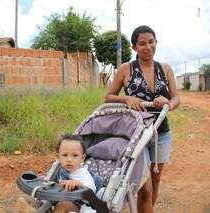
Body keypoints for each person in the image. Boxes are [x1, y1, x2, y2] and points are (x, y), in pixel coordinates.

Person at [105, 25, 180, 213]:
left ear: (156, 42)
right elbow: (109, 97)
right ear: (134, 48)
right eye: (142, 43)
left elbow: (176, 97)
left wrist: (167, 104)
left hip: (160, 134)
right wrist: (127, 98)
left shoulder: (165, 69)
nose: (148, 47)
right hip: (137, 134)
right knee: (144, 187)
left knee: (154, 183)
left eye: (151, 42)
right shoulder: (125, 69)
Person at [52, 134, 100, 213]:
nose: (69, 159)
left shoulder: (82, 173)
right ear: (58, 157)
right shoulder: (59, 169)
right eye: (65, 155)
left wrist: (79, 184)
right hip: (62, 197)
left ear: (82, 158)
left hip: (80, 204)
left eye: (75, 155)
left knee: (63, 205)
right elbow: (50, 181)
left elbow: (91, 190)